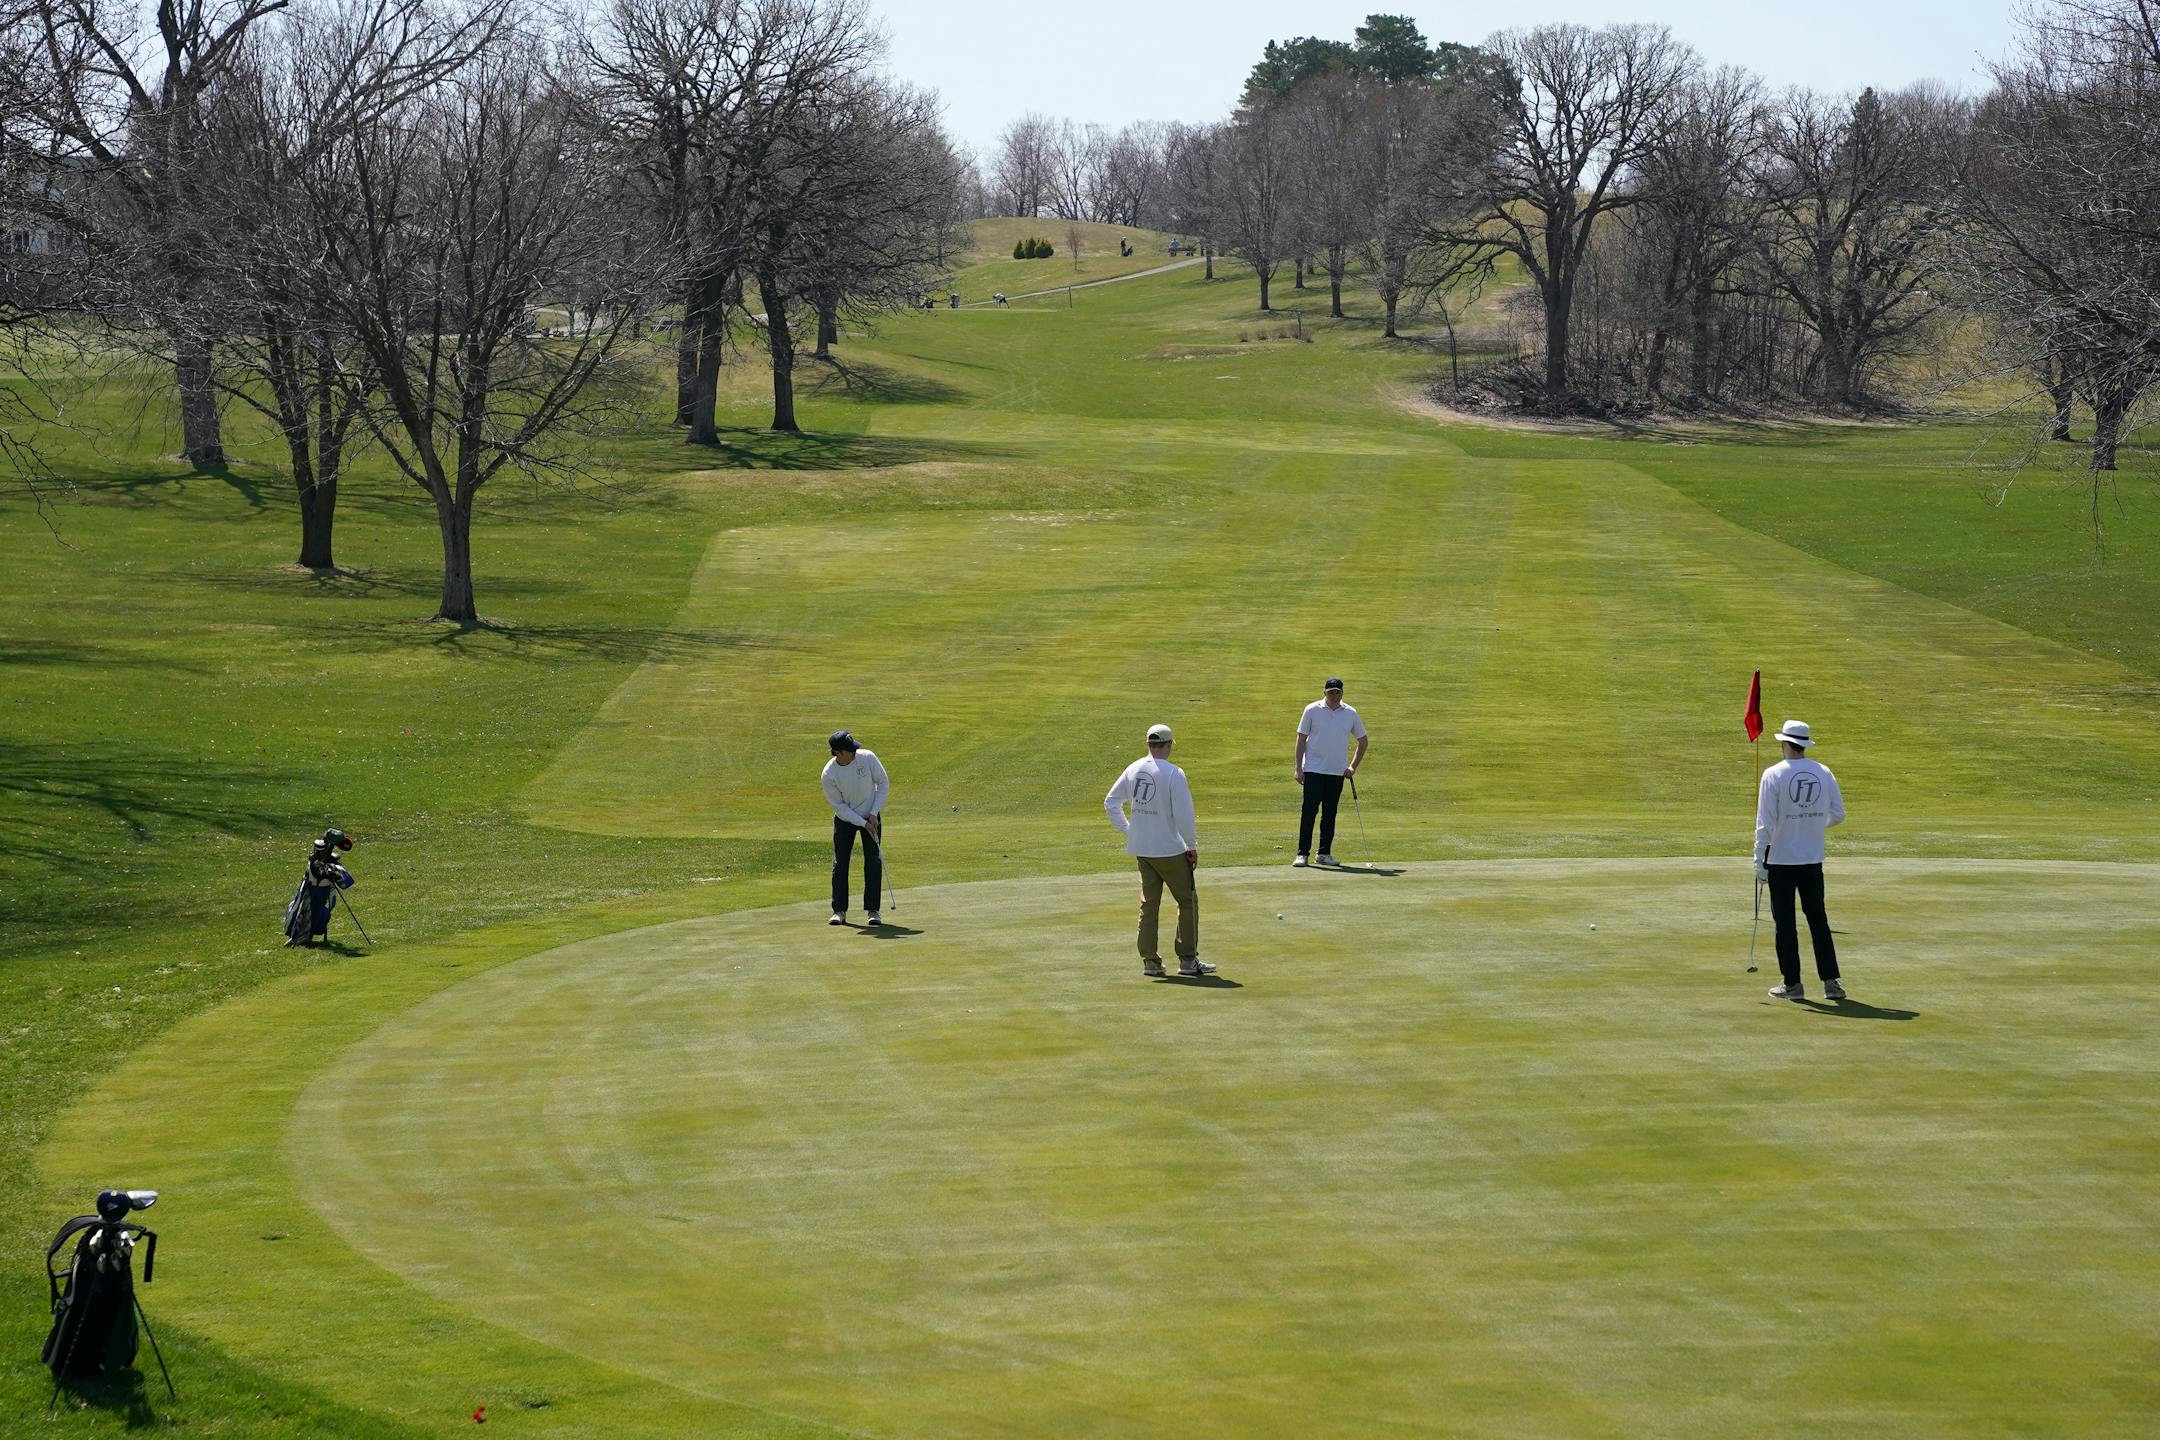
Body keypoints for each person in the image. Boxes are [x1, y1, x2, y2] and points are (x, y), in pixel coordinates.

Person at [1104, 724, 1212, 978]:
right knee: (1187, 901)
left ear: (1149, 744)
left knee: (1149, 903)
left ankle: (1150, 962)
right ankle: (1187, 960)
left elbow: (1111, 802)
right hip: (1170, 849)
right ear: (1169, 745)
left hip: (1143, 849)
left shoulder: (1133, 768)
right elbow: (1184, 815)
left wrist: (1130, 831)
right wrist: (1192, 845)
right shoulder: (1174, 773)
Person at [1754, 720, 1847, 1001]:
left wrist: (1759, 861)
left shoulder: (1773, 774)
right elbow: (1838, 814)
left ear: (1784, 743)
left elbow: (1765, 823)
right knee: (1818, 918)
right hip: (1811, 859)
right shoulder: (1824, 771)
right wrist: (1813, 826)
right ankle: (1831, 983)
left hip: (1781, 860)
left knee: (1785, 923)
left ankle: (1793, 984)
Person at [1292, 677, 1368, 867]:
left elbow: (1363, 740)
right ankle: (1302, 854)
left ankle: (1324, 853)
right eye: (1331, 692)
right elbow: (1301, 739)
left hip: (1336, 772)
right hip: (1313, 769)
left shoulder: (1350, 713)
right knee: (1309, 812)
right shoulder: (1312, 710)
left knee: (1330, 814)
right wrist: (1298, 768)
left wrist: (1352, 767)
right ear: (1324, 692)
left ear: (1342, 693)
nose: (1334, 695)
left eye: (1338, 692)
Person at [822, 730, 889, 927]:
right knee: (841, 862)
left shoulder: (867, 758)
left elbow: (883, 783)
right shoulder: (829, 774)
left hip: (872, 814)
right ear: (838, 753)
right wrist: (862, 823)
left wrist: (874, 814)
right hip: (846, 819)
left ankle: (873, 910)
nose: (854, 752)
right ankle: (839, 910)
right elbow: (840, 808)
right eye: (850, 750)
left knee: (873, 862)